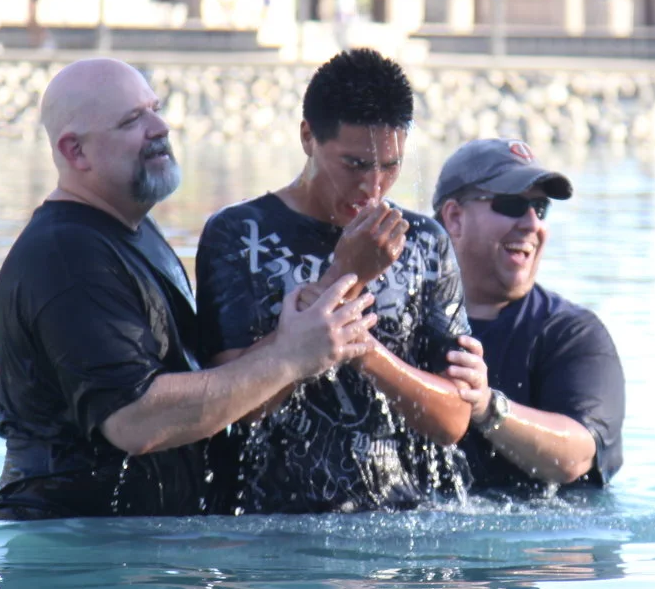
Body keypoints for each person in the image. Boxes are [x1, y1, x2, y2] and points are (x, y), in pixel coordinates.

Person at [0, 57, 378, 523]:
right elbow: (136, 419)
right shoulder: (66, 255)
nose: (160, 127)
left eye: (155, 109)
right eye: (132, 120)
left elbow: (190, 375)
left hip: (130, 548)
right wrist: (289, 358)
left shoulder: (127, 230)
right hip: (71, 549)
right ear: (76, 152)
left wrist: (300, 339)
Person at [195, 48, 484, 513]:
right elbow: (234, 409)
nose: (373, 187)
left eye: (390, 166)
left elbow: (452, 420)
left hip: (399, 528)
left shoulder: (424, 243)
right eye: (354, 165)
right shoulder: (238, 234)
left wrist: (365, 352)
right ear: (308, 137)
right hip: (270, 527)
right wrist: (347, 277)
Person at [432, 138, 625, 497]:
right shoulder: (403, 320)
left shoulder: (573, 334)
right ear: (455, 218)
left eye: (540, 207)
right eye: (512, 205)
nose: (532, 223)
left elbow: (577, 455)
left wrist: (487, 408)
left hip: (549, 547)